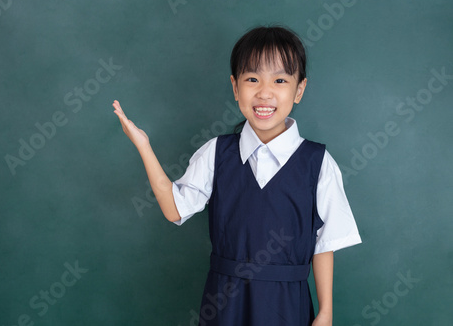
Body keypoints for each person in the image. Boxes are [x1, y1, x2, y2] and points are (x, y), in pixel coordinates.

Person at [112, 25, 362, 326]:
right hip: (224, 303)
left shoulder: (317, 162)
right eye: (252, 79)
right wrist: (144, 146)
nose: (265, 92)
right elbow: (174, 208)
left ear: (299, 89)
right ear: (235, 87)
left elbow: (325, 242)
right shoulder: (216, 153)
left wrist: (325, 312)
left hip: (287, 304)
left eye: (280, 80)